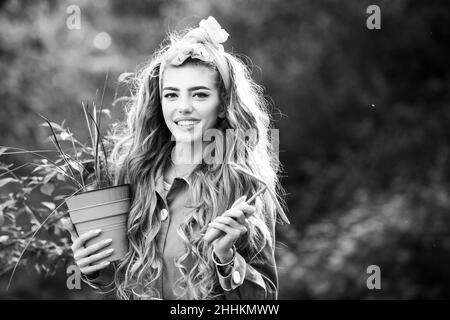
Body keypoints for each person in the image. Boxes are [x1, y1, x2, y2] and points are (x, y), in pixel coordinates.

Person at [62, 16, 289, 300]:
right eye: (171, 95)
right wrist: (91, 266)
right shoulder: (132, 175)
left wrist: (226, 258)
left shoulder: (244, 186)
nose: (183, 108)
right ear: (159, 102)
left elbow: (263, 301)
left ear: (223, 105)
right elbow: (117, 281)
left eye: (199, 95)